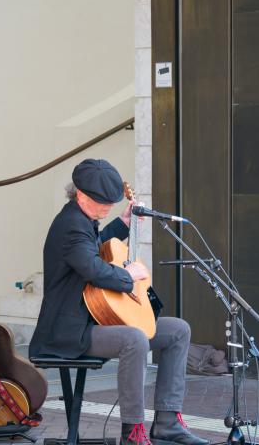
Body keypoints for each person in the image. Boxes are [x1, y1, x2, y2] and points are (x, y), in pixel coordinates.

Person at [29, 158, 208, 445]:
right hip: (69, 331)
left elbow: (97, 245)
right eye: (103, 202)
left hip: (92, 320)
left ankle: (167, 420)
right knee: (134, 339)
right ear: (81, 195)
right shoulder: (70, 226)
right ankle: (132, 431)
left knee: (177, 331)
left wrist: (123, 224)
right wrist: (128, 275)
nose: (108, 207)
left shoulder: (83, 219)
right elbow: (93, 268)